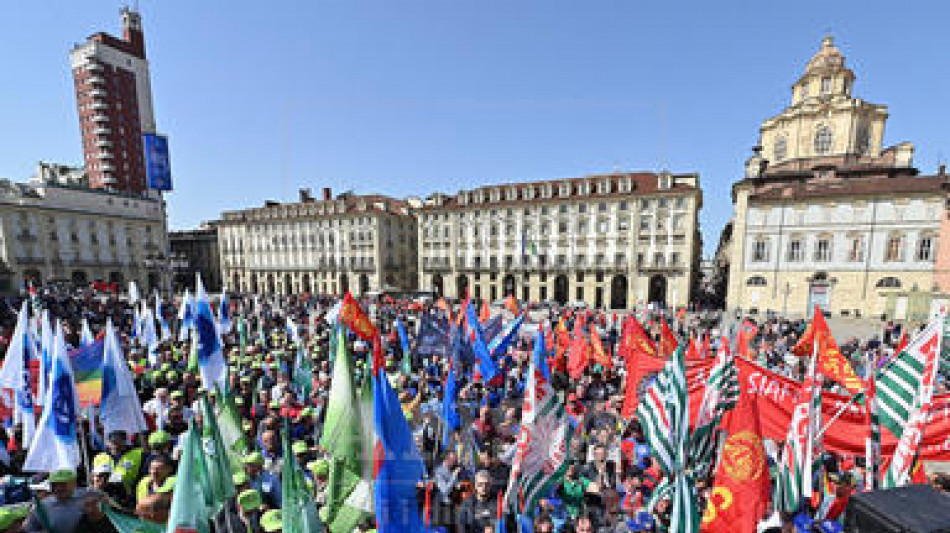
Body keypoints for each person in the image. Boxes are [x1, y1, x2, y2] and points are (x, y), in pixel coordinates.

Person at [21, 469, 113, 533]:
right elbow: (28, 529)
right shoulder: (41, 507)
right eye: (55, 484)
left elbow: (114, 516)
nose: (58, 488)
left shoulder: (91, 495)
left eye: (63, 484)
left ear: (74, 483)